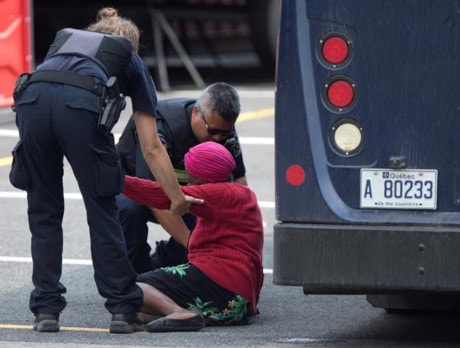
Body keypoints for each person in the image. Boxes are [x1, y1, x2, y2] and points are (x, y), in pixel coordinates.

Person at [9, 7, 201, 333]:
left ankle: (46, 310)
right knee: (103, 210)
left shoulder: (67, 45)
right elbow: (151, 146)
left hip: (32, 101)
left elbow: (49, 87)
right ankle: (122, 308)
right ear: (131, 44)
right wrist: (177, 197)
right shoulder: (128, 57)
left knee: (44, 212)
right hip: (79, 107)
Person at [121, 141, 264, 332]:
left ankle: (179, 313)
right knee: (130, 310)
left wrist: (115, 179)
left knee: (128, 289)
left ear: (205, 179)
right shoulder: (243, 194)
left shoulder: (218, 193)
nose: (188, 184)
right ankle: (179, 312)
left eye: (191, 180)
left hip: (221, 283)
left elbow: (161, 195)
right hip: (239, 303)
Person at [116, 82, 247, 273]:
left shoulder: (221, 128)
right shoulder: (162, 125)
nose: (218, 138)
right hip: (134, 186)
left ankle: (164, 262)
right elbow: (155, 199)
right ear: (196, 112)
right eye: (212, 131)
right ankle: (135, 280)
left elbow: (238, 181)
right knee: (131, 211)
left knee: (212, 206)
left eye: (224, 132)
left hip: (181, 191)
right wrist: (195, 246)